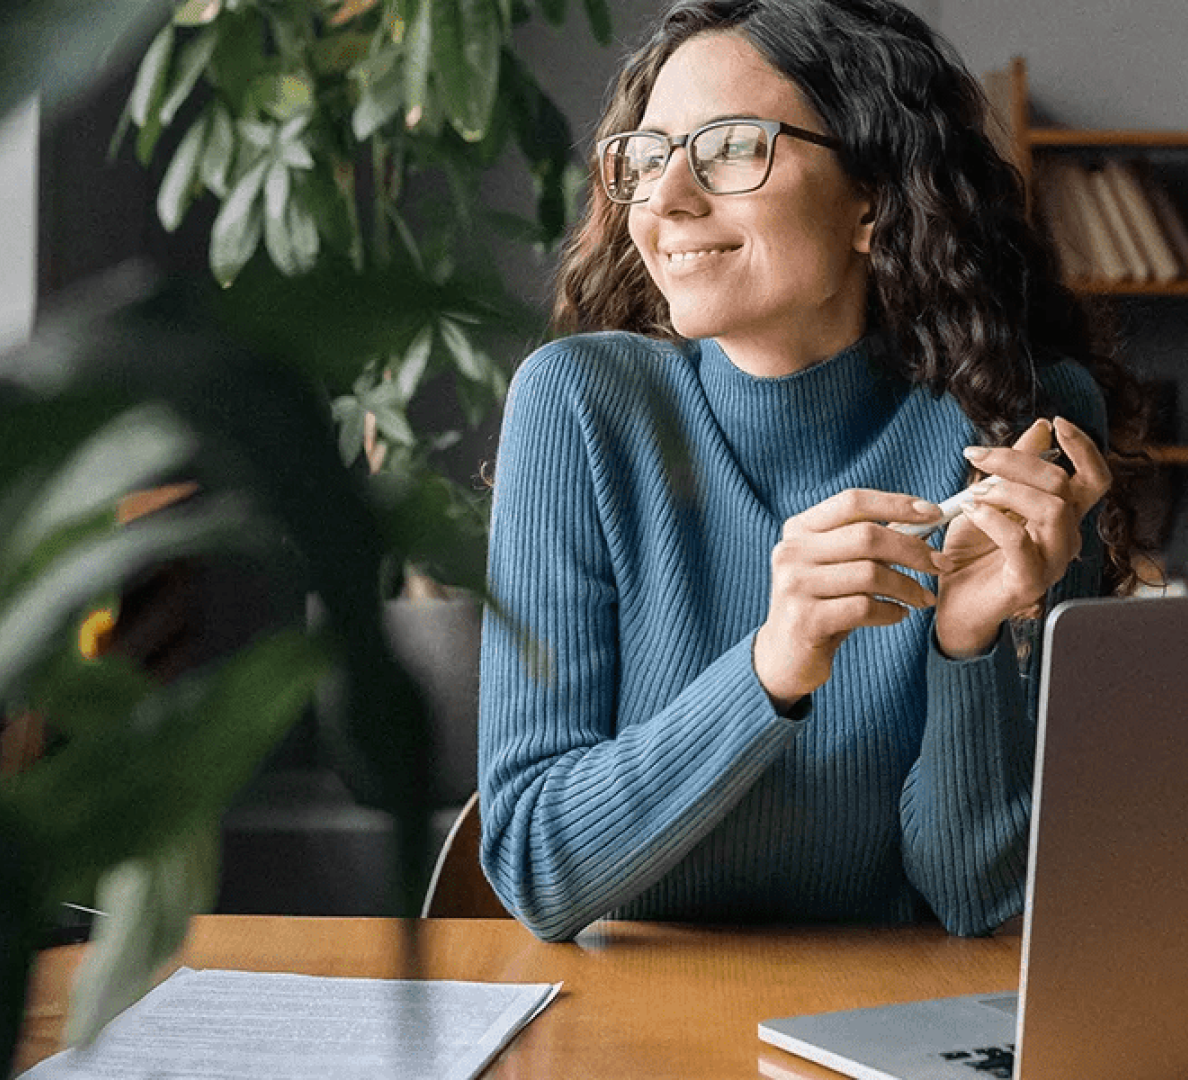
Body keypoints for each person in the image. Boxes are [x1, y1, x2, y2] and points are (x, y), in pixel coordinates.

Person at [477, 0, 1146, 942]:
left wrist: (967, 645)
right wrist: (773, 664)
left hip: (895, 1023)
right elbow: (536, 866)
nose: (665, 200)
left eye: (728, 148)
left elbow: (980, 896)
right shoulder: (578, 407)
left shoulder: (1021, 421)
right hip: (636, 1017)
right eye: (646, 155)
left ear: (871, 198)